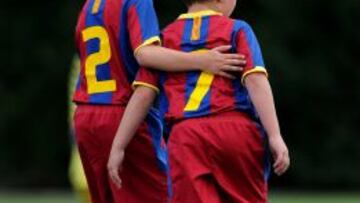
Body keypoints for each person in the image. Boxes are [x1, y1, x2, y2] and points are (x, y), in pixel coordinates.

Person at [107, 0, 290, 202]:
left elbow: (143, 94)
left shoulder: (164, 40)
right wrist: (275, 135)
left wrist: (118, 146)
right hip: (235, 130)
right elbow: (256, 80)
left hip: (185, 137)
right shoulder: (237, 29)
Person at [73, 0, 245, 202]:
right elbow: (145, 55)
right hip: (124, 113)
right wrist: (202, 60)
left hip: (86, 116)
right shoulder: (137, 1)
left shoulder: (90, 5)